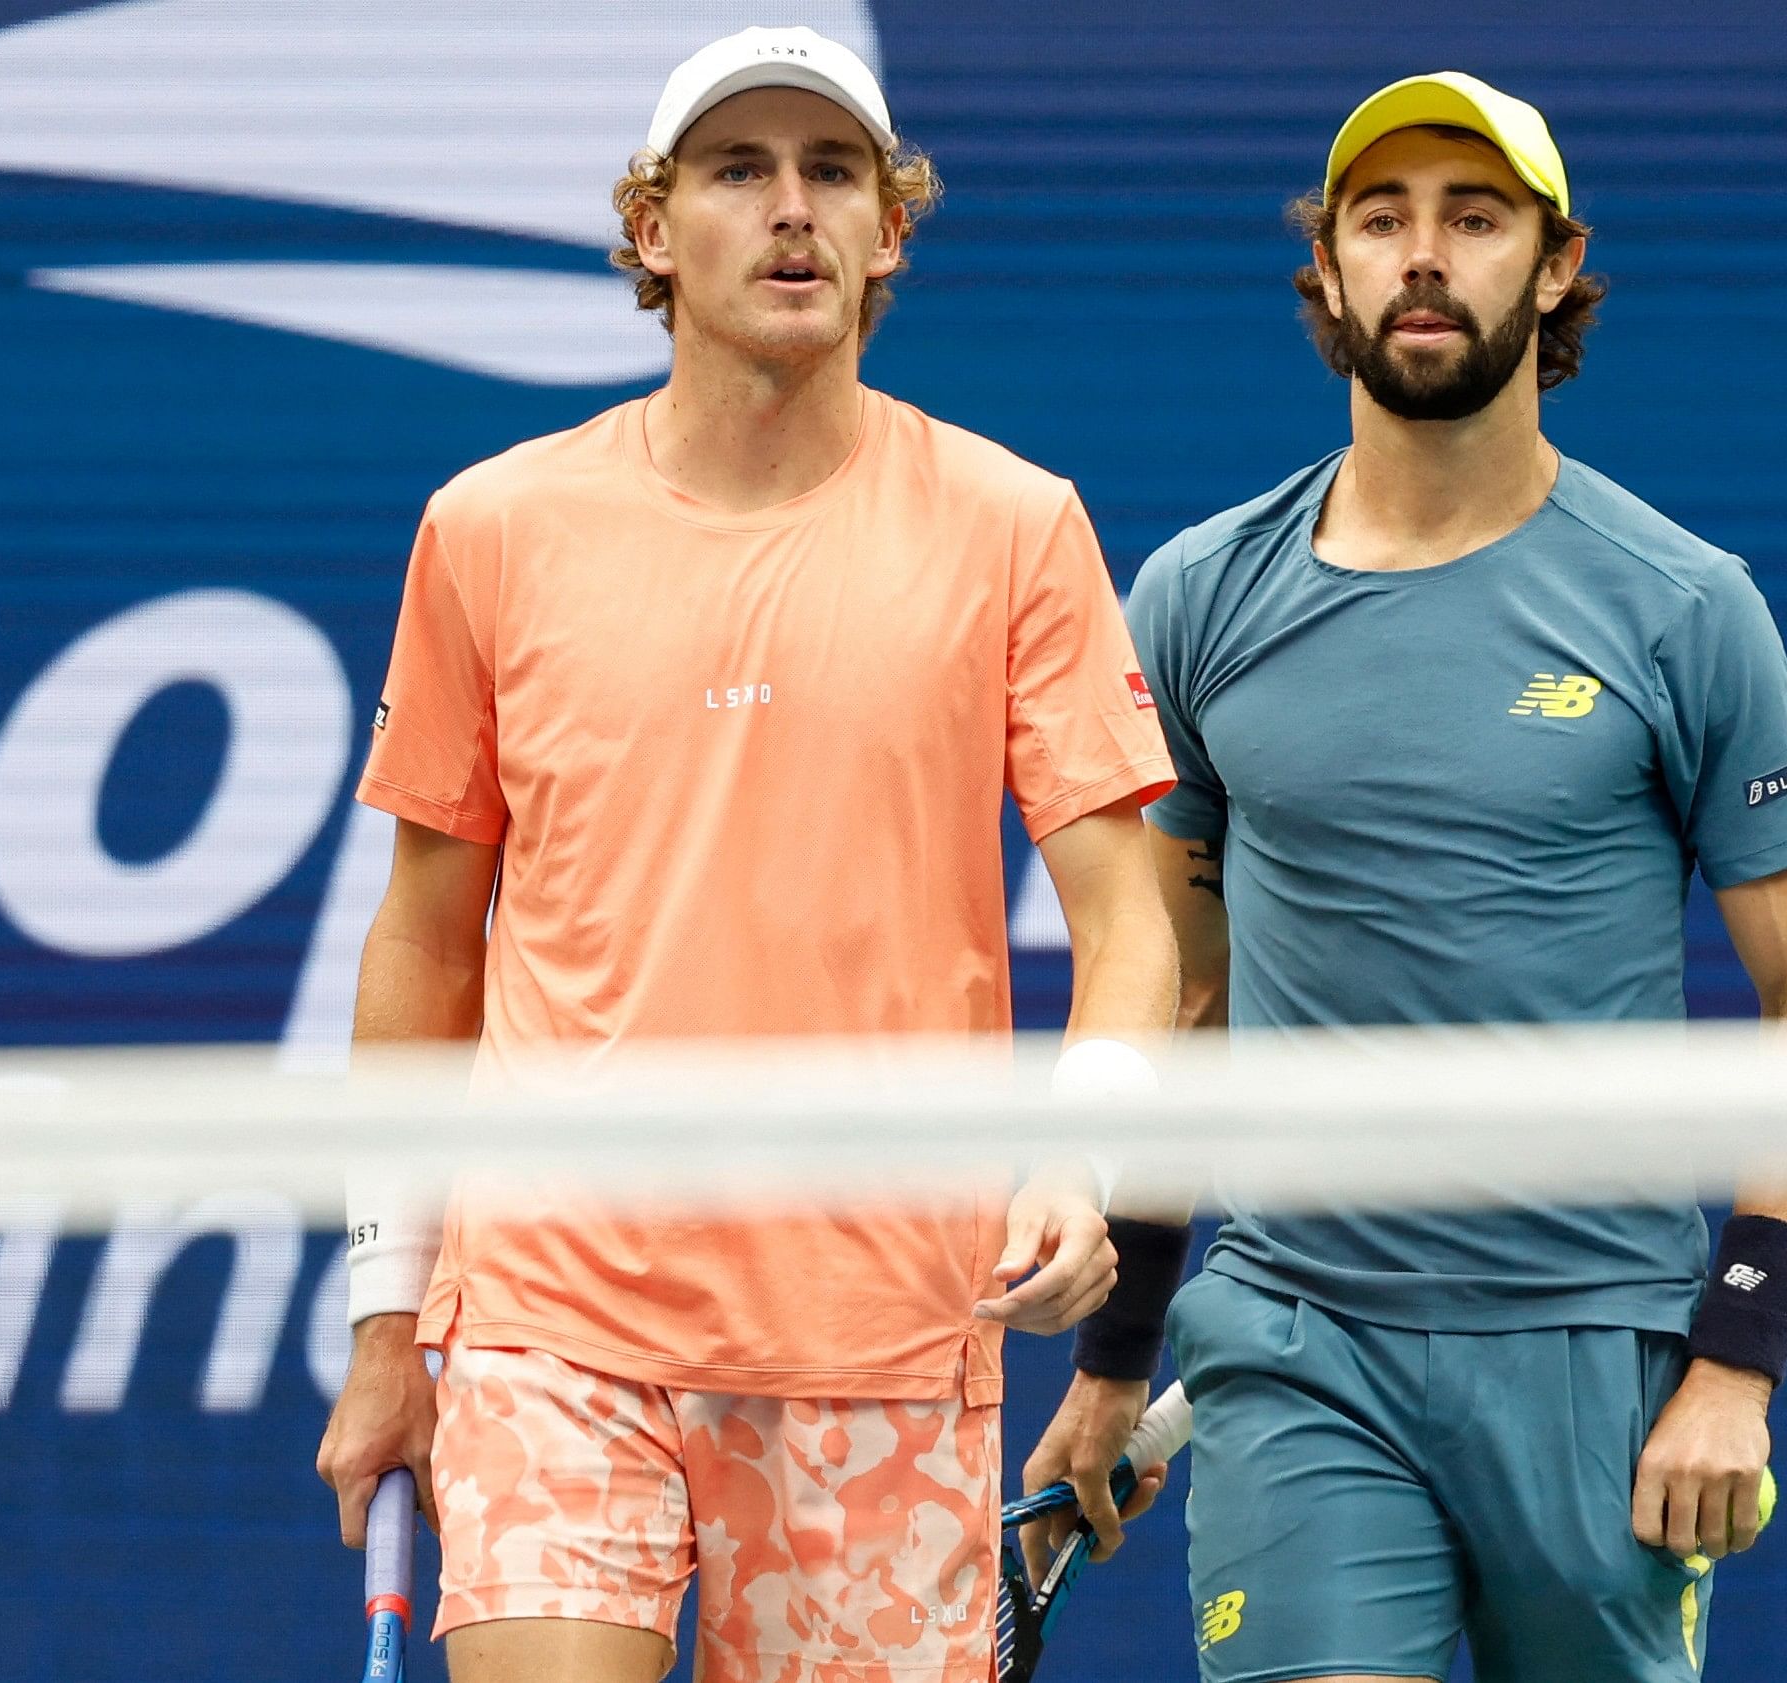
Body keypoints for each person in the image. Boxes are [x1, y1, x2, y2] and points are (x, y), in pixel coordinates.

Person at [311, 27, 1180, 1683]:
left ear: (888, 231)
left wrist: (1079, 1163)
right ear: (653, 229)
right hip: (554, 1315)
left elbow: (1127, 922)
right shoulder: (491, 526)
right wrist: (382, 1321)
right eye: (737, 171)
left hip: (889, 1335)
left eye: (832, 172)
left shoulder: (1015, 524)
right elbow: (424, 945)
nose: (791, 211)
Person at [1023, 72, 1787, 1683]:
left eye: (1475, 220)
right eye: (1381, 219)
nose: (1425, 257)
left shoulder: (1689, 609)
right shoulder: (1197, 599)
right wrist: (1122, 1353)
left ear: (1553, 270)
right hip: (1295, 1337)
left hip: (1596, 1351)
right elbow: (1184, 997)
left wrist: (1738, 1361)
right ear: (1327, 272)